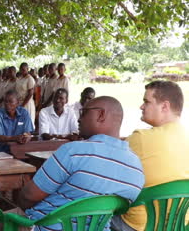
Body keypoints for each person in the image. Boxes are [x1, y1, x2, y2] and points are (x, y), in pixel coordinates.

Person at [18, 96, 145, 231]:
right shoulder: (136, 169)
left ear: (101, 115)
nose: (79, 119)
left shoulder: (74, 151)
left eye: (83, 112)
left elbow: (28, 197)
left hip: (43, 226)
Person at [112, 81, 188, 231]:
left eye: (146, 102)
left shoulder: (140, 138)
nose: (141, 106)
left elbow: (109, 173)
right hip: (181, 225)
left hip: (140, 226)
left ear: (165, 106)